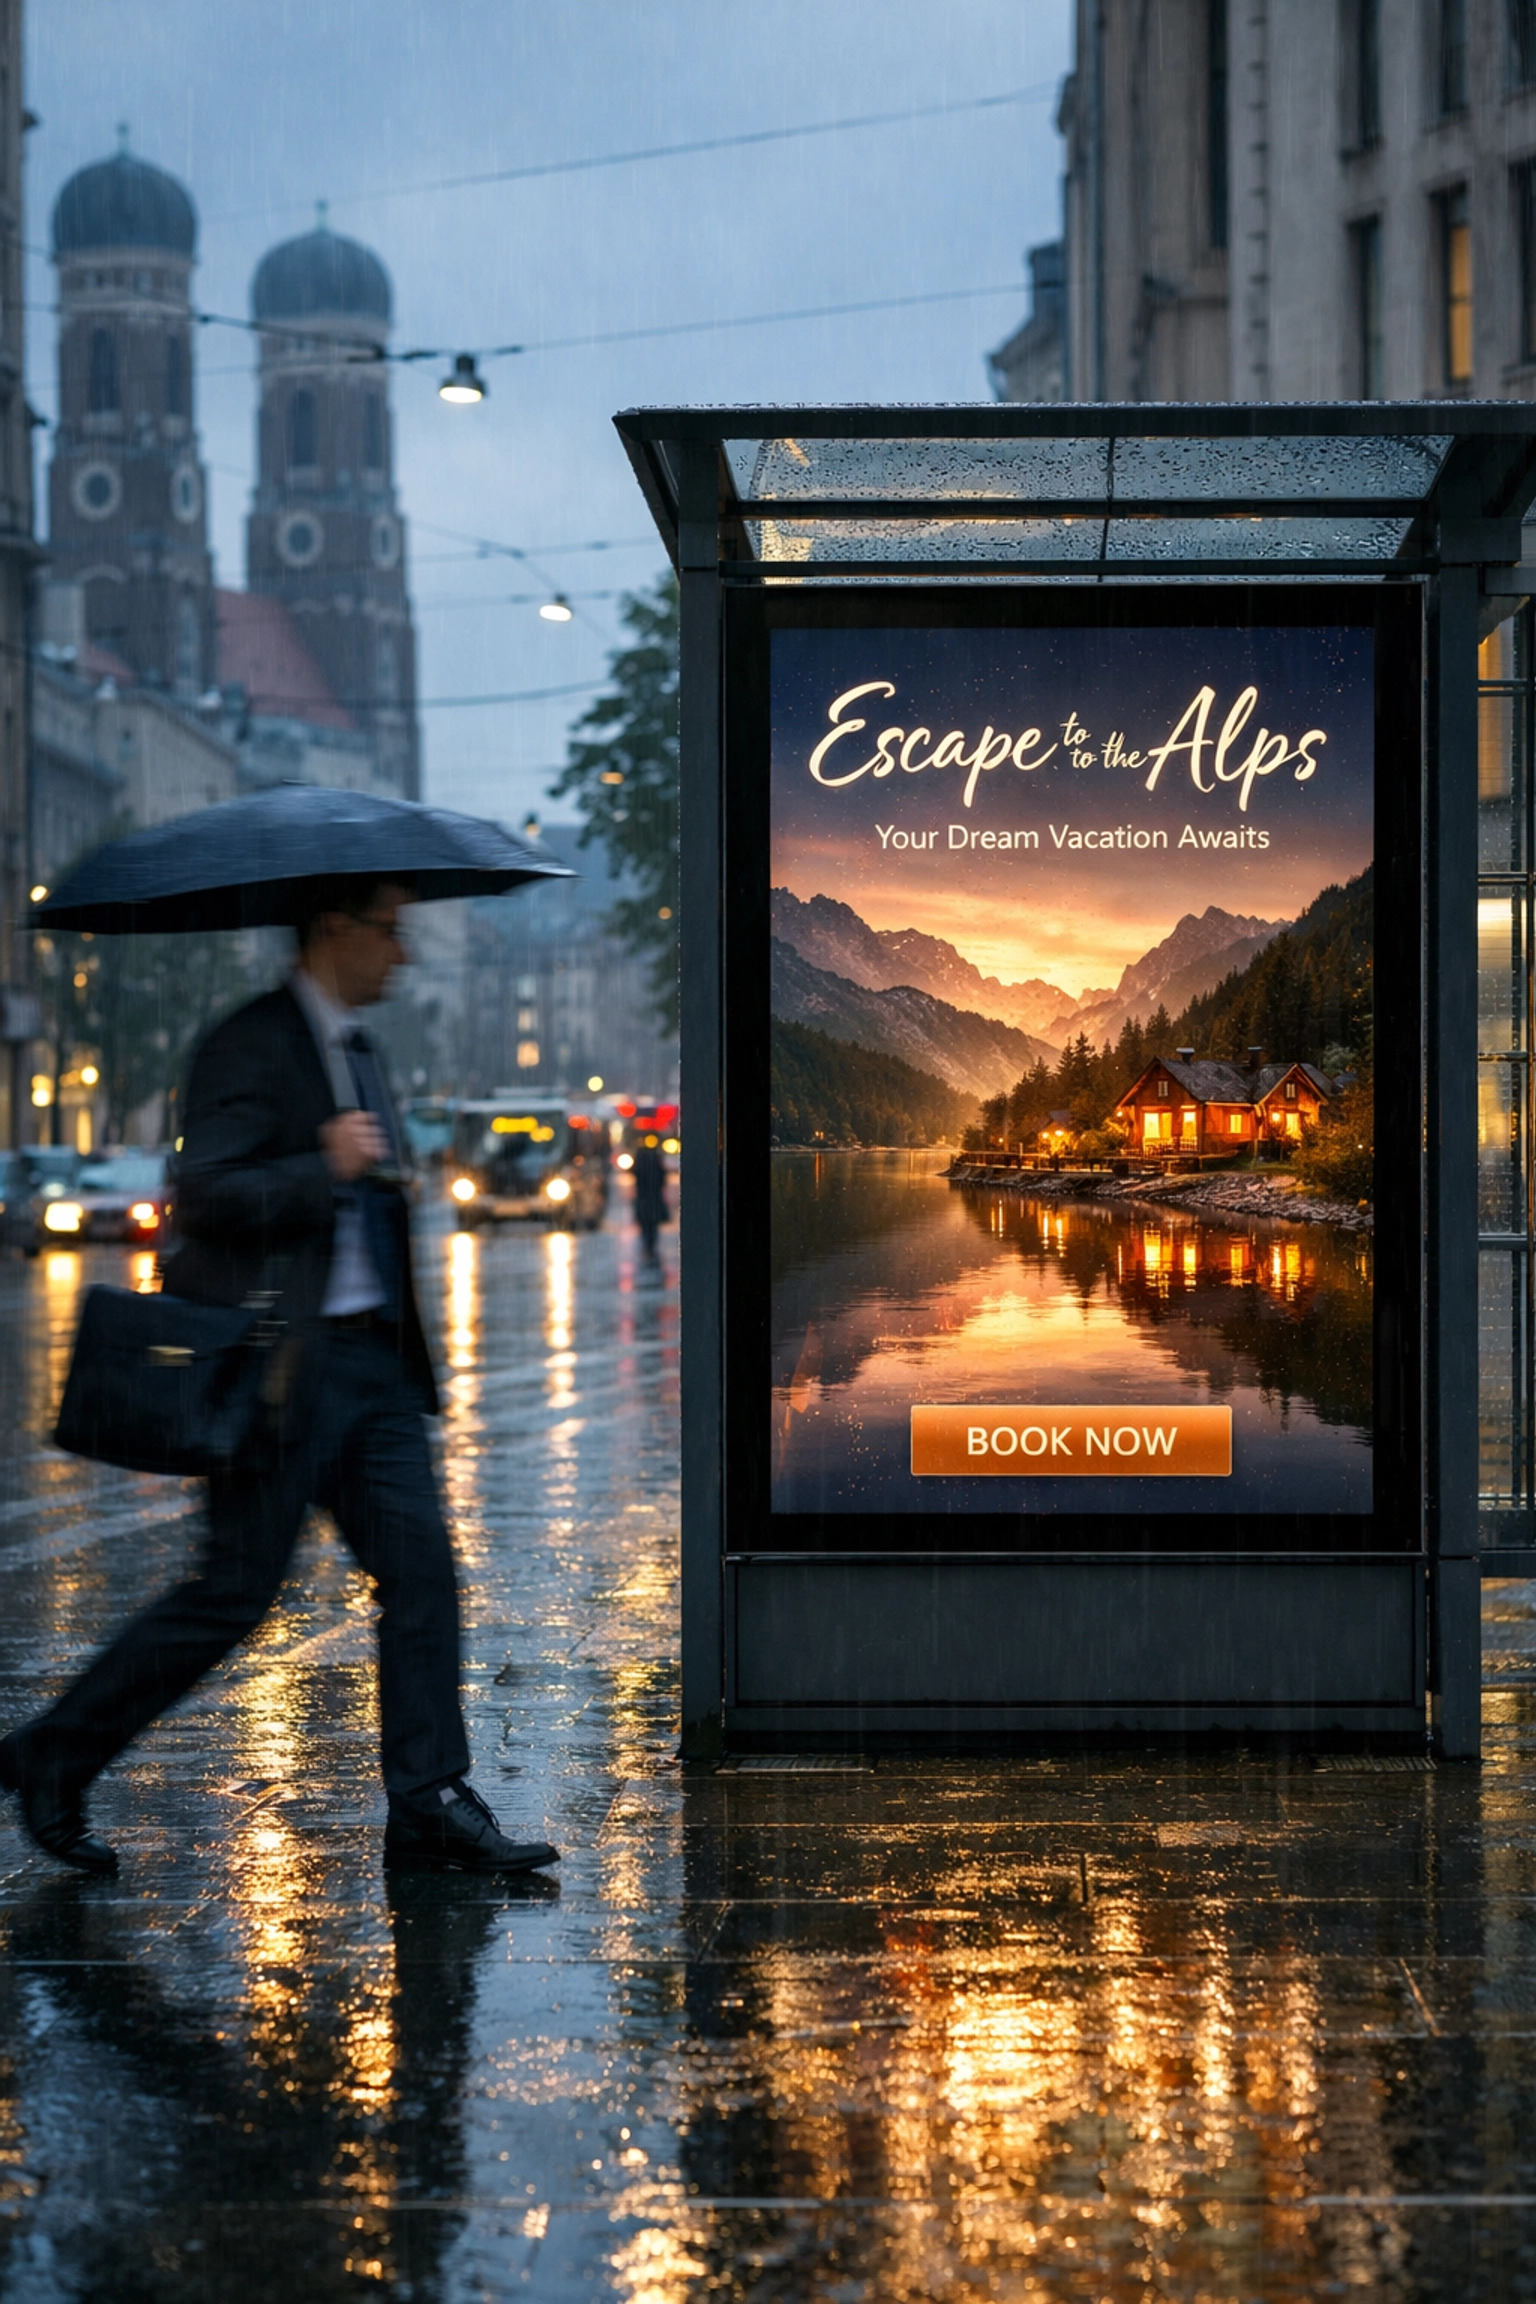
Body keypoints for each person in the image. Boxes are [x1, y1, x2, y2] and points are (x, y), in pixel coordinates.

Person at [0, 877, 558, 1879]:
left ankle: (428, 1798)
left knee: (424, 1576)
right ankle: (53, 1753)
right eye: (391, 930)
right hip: (282, 1374)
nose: (405, 953)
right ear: (333, 927)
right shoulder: (247, 1042)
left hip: (373, 1368)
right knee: (232, 1595)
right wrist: (324, 1167)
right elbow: (205, 1193)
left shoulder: (359, 1048)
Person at [631, 1133, 669, 1264]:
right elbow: (663, 1177)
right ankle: (650, 1245)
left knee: (646, 1224)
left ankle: (648, 1245)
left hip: (644, 1198)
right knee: (652, 1225)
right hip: (652, 1198)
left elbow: (635, 1173)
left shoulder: (641, 1157)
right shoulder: (655, 1157)